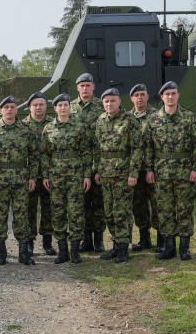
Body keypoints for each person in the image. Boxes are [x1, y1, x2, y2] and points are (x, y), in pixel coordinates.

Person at [144, 81, 196, 261]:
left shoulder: (190, 118)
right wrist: (149, 170)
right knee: (165, 210)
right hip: (162, 172)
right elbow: (148, 147)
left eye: (173, 93)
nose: (170, 97)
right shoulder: (153, 119)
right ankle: (169, 247)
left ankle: (184, 248)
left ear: (178, 96)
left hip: (184, 171)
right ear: (162, 97)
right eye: (167, 94)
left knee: (184, 209)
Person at [0, 96, 39, 265]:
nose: (9, 110)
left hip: (21, 178)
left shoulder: (26, 129)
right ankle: (1, 251)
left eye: (12, 107)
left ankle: (24, 252)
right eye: (6, 107)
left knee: (21, 214)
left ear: (17, 109)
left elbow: (34, 155)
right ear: (0, 110)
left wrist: (32, 177)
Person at [92, 88, 142, 263]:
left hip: (123, 173)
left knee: (122, 211)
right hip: (106, 174)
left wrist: (133, 173)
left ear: (119, 102)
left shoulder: (130, 120)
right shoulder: (100, 120)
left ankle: (123, 248)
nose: (109, 104)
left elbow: (136, 149)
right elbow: (97, 148)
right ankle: (115, 245)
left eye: (112, 101)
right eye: (106, 101)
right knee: (109, 211)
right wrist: (97, 169)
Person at [42, 94, 91, 264]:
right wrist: (46, 175)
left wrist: (86, 175)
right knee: (58, 212)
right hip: (55, 175)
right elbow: (45, 154)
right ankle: (62, 250)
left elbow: (85, 152)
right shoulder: (48, 128)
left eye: (66, 105)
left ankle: (75, 250)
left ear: (70, 107)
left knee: (76, 211)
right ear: (55, 108)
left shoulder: (79, 127)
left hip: (75, 175)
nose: (63, 108)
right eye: (60, 105)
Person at [71, 73, 106, 253]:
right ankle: (86, 239)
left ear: (93, 87)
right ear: (77, 88)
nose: (84, 88)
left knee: (98, 202)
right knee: (81, 202)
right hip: (77, 164)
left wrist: (99, 167)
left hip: (98, 160)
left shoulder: (102, 106)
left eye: (88, 85)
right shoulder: (69, 108)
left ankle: (99, 238)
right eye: (81, 85)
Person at [23, 92, 56, 256]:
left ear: (46, 106)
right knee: (29, 208)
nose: (38, 107)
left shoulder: (53, 124)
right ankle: (29, 242)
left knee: (48, 207)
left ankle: (47, 242)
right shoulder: (22, 126)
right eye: (35, 105)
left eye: (41, 104)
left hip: (49, 173)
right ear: (29, 107)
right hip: (28, 175)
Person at [129, 83, 160, 253]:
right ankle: (144, 238)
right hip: (135, 170)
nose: (139, 98)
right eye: (136, 95)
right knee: (138, 204)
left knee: (157, 203)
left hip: (154, 169)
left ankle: (162, 239)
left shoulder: (157, 116)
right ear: (131, 98)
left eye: (142, 94)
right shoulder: (127, 118)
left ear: (147, 96)